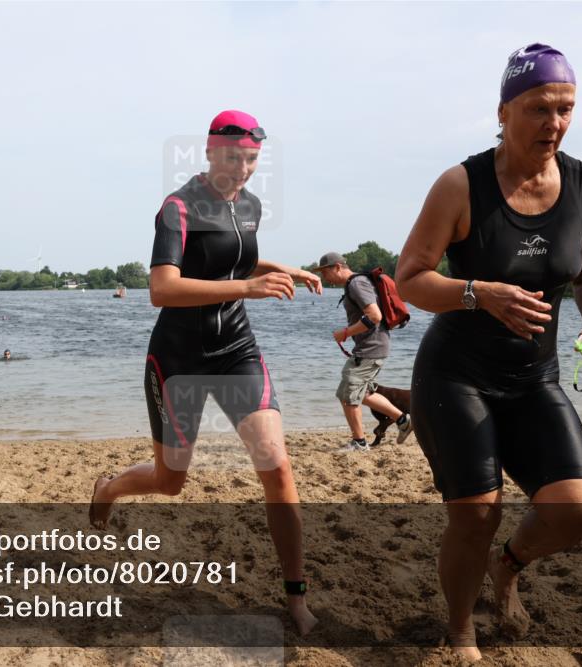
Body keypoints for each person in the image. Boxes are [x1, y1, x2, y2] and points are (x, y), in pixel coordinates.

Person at [395, 44, 582, 662]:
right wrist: (476, 292)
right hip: (456, 376)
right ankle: (461, 629)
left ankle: (508, 568)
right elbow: (409, 278)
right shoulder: (461, 184)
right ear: (504, 111)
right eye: (538, 108)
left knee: (580, 509)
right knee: (475, 513)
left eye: (565, 109)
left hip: (534, 376)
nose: (554, 122)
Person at [89, 110, 321, 635]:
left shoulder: (251, 205)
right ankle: (109, 488)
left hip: (237, 348)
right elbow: (163, 289)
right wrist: (248, 288)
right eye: (234, 158)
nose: (243, 169)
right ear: (210, 153)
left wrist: (283, 268)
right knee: (171, 482)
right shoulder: (177, 208)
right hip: (177, 358)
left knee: (278, 469)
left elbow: (234, 259)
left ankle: (296, 596)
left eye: (252, 160)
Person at [313, 252, 412, 451]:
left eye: (325, 272)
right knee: (358, 392)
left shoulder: (356, 284)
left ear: (338, 267)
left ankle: (359, 442)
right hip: (372, 347)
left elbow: (374, 315)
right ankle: (403, 421)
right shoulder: (356, 283)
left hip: (371, 349)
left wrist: (346, 333)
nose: (325, 277)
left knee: (349, 394)